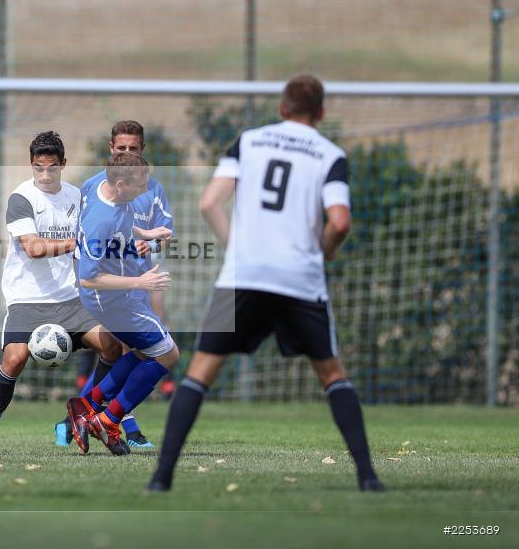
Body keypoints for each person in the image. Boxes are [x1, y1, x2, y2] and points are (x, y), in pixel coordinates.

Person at [147, 74, 385, 492]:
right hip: (299, 279)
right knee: (331, 375)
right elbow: (340, 221)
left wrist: (237, 246)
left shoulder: (249, 141)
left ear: (282, 108)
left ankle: (161, 479)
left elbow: (209, 202)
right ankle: (367, 477)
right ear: (321, 113)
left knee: (199, 374)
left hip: (245, 274)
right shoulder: (331, 155)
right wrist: (325, 248)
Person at [0, 131, 122, 455]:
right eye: (38, 168)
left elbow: (94, 242)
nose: (44, 175)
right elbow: (34, 248)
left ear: (63, 164)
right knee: (14, 359)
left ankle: (89, 411)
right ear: (31, 165)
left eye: (51, 168)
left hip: (70, 299)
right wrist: (76, 243)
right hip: (27, 298)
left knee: (112, 345)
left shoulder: (78, 197)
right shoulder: (21, 198)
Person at [54, 120, 174, 449]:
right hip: (111, 299)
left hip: (120, 296)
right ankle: (108, 419)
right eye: (139, 187)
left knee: (140, 350)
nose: (143, 193)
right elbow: (90, 276)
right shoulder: (100, 217)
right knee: (168, 355)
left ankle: (88, 405)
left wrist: (148, 235)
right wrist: (141, 279)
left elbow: (125, 226)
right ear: (121, 184)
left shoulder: (115, 200)